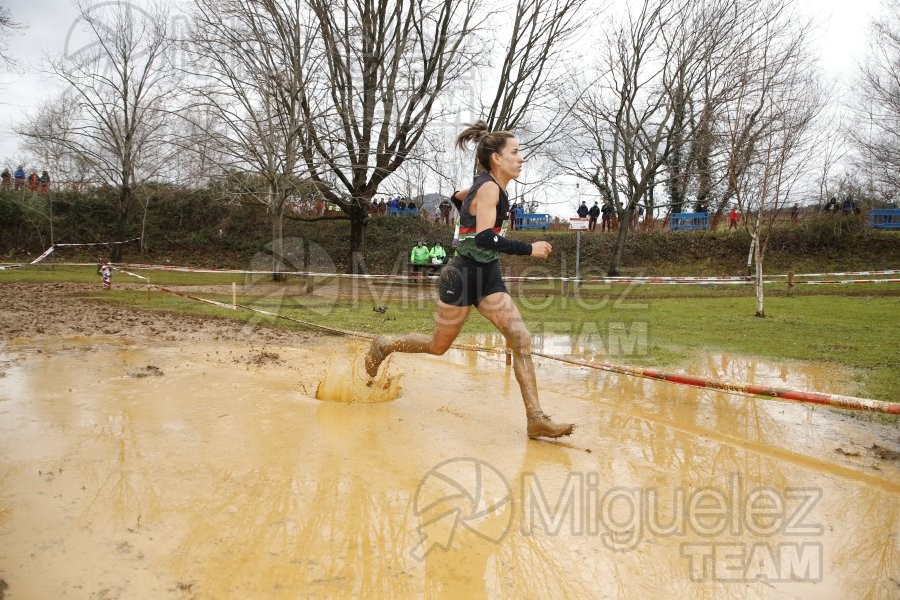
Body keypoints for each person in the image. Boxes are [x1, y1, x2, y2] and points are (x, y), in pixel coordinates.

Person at [365, 120, 573, 439]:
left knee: (520, 338)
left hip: (488, 277)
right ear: (497, 158)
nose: (521, 158)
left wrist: (467, 207)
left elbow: (457, 197)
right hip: (461, 277)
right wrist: (529, 249)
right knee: (437, 346)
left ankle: (535, 418)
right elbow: (486, 237)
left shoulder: (487, 187)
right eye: (515, 152)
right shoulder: (489, 188)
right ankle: (385, 345)